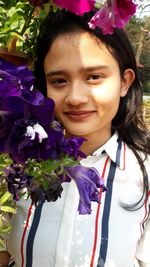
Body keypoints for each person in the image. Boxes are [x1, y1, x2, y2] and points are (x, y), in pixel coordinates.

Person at [0, 8, 150, 267]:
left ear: (124, 82)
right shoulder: (20, 163)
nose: (76, 98)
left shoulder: (144, 174)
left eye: (94, 77)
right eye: (59, 80)